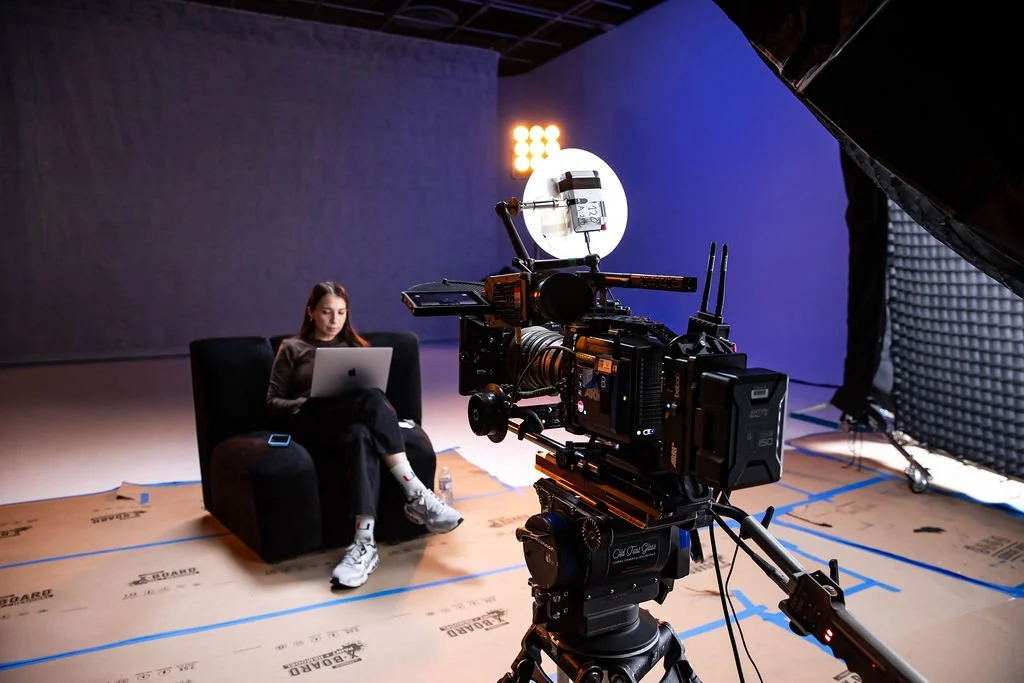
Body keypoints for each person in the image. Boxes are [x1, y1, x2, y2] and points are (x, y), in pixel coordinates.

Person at [265, 281, 463, 589]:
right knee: (368, 398)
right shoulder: (292, 348)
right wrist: (307, 401)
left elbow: (380, 402)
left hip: (348, 429)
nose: (334, 320)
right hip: (311, 424)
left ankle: (363, 543)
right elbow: (272, 403)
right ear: (311, 312)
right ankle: (417, 494)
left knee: (361, 433)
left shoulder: (355, 350)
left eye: (341, 313)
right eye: (327, 312)